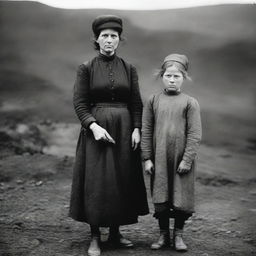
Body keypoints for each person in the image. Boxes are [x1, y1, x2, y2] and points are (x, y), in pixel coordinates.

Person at [69, 15, 149, 256]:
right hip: (97, 130)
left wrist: (136, 128)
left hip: (124, 130)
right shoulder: (86, 68)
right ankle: (95, 236)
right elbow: (80, 103)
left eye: (114, 36)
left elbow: (136, 102)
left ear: (119, 40)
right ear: (97, 39)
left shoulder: (129, 68)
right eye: (104, 36)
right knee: (98, 181)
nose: (109, 40)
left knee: (122, 179)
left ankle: (115, 233)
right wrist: (93, 126)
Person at [141, 54, 202, 252]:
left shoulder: (190, 103)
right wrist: (147, 158)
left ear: (184, 78)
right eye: (168, 75)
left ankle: (178, 235)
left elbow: (195, 134)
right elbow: (146, 129)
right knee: (161, 197)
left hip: (180, 160)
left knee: (180, 197)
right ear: (162, 76)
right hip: (159, 159)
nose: (172, 80)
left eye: (177, 76)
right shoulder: (153, 100)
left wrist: (187, 160)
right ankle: (163, 235)